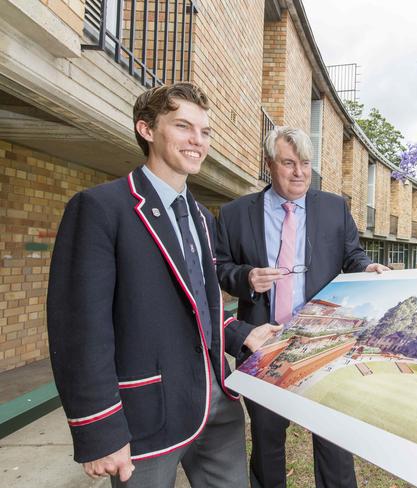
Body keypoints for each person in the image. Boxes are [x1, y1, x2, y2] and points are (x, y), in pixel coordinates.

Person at [47, 82, 281, 487]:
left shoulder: (204, 218)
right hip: (147, 417)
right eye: (183, 127)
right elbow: (80, 330)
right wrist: (99, 429)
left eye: (205, 131)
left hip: (217, 404)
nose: (197, 141)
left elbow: (197, 304)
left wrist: (244, 334)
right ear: (147, 130)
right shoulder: (101, 208)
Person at [215, 126, 389, 488]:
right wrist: (246, 277)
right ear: (269, 165)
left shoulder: (334, 208)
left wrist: (367, 266)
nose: (299, 173)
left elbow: (352, 255)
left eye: (306, 164)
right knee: (266, 443)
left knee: (334, 444)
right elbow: (219, 268)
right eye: (289, 163)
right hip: (263, 345)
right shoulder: (233, 214)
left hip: (323, 342)